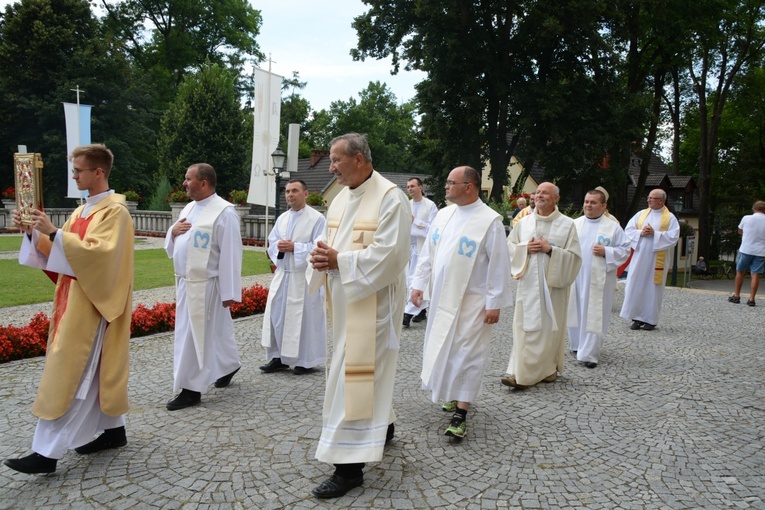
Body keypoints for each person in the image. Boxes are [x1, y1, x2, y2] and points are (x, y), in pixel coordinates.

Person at [4, 144, 133, 474]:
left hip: (94, 308)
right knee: (92, 373)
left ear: (98, 172)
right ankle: (114, 430)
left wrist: (53, 232)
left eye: (78, 170)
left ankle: (45, 453)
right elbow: (61, 255)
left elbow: (100, 258)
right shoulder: (82, 212)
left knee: (73, 375)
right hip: (74, 300)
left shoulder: (115, 212)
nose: (73, 175)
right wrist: (33, 232)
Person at [307, 133, 410, 499]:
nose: (331, 167)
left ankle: (348, 469)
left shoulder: (390, 198)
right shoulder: (339, 199)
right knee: (365, 375)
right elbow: (331, 245)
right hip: (345, 304)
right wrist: (321, 258)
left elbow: (391, 256)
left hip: (373, 305)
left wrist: (339, 261)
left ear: (360, 159)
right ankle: (384, 427)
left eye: (336, 160)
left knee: (353, 379)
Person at [410, 166, 512, 439]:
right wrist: (418, 283)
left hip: (473, 303)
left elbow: (499, 265)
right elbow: (428, 255)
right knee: (445, 348)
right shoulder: (443, 215)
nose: (445, 186)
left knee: (468, 354)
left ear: (469, 186)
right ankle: (452, 394)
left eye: (451, 182)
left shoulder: (489, 221)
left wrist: (495, 302)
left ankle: (461, 413)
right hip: (442, 298)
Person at [164, 163, 243, 410]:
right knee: (215, 331)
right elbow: (176, 240)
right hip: (186, 282)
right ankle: (229, 364)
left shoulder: (224, 212)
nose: (184, 183)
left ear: (204, 183)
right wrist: (173, 232)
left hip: (206, 286)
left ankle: (191, 389)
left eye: (188, 179)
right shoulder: (188, 207)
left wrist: (230, 292)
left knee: (193, 336)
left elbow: (231, 252)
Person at [501, 182, 581, 390]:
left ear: (556, 198)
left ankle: (548, 369)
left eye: (544, 193)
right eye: (537, 193)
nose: (539, 196)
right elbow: (508, 248)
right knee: (524, 327)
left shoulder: (567, 225)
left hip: (554, 287)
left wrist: (551, 250)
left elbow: (574, 258)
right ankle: (518, 371)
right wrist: (524, 248)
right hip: (528, 285)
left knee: (550, 329)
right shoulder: (524, 223)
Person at [261, 179, 326, 374]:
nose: (290, 194)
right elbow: (272, 241)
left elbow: (320, 246)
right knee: (277, 316)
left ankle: (305, 361)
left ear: (305, 194)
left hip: (303, 277)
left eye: (295, 191)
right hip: (283, 275)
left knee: (303, 320)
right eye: (288, 191)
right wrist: (278, 247)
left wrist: (295, 247)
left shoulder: (317, 219)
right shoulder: (283, 218)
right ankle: (278, 357)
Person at [567, 190, 630, 369]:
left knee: (594, 312)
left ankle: (590, 354)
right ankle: (577, 344)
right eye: (586, 202)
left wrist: (607, 252)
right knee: (576, 309)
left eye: (593, 202)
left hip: (599, 280)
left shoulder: (613, 227)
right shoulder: (574, 224)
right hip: (576, 276)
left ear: (603, 206)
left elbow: (625, 250)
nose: (588, 205)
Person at [619, 189, 680, 331]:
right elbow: (628, 231)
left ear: (661, 201)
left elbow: (673, 237)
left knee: (653, 288)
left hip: (656, 260)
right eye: (648, 197)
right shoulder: (641, 214)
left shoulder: (670, 218)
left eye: (652, 198)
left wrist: (655, 234)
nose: (649, 200)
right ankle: (636, 317)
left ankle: (650, 319)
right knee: (635, 284)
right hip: (640, 257)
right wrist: (641, 232)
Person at [403, 177, 438, 328]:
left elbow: (433, 229)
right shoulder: (406, 205)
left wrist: (415, 221)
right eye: (408, 187)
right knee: (407, 279)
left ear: (421, 188)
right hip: (407, 247)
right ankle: (420, 310)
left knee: (417, 278)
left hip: (422, 248)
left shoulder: (430, 206)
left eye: (412, 186)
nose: (409, 189)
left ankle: (408, 313)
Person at [728, 200, 765, 306]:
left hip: (746, 249)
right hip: (761, 251)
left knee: (740, 272)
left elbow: (740, 231)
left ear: (754, 209)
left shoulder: (746, 218)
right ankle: (752, 299)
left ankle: (736, 296)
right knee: (755, 274)